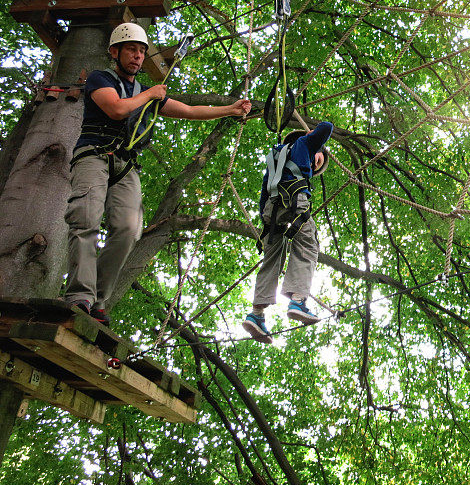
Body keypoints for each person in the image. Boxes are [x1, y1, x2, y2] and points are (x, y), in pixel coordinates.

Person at [64, 22, 251, 325]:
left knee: (128, 229)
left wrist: (229, 110)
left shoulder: (143, 92)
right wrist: (151, 94)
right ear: (115, 52)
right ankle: (79, 296)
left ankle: (98, 299)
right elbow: (116, 110)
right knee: (85, 221)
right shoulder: (100, 78)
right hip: (94, 156)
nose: (137, 57)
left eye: (141, 52)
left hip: (125, 164)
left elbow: (189, 110)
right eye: (131, 51)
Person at [243, 122, 333, 344]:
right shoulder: (304, 145)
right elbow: (327, 128)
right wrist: (315, 141)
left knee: (272, 256)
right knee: (308, 244)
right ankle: (298, 299)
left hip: (271, 211)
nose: (314, 167)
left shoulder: (275, 157)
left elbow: (264, 195)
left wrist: (266, 227)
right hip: (295, 202)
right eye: (316, 162)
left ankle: (256, 313)